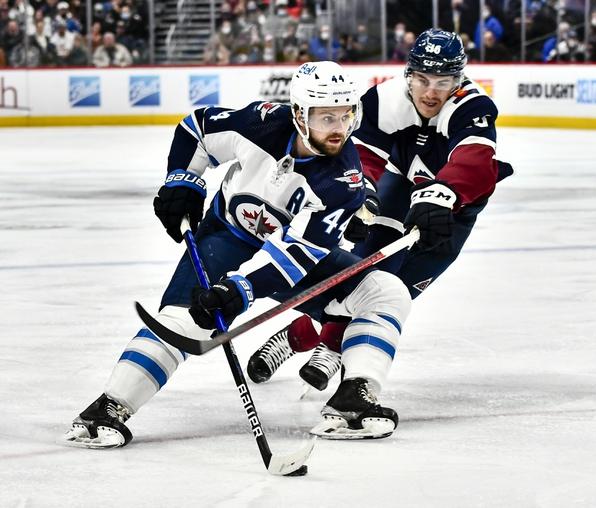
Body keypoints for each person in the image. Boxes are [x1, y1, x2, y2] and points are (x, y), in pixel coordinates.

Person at [61, 61, 411, 448]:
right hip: (225, 238)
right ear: (298, 114)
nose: (340, 128)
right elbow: (197, 128)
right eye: (326, 117)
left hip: (290, 260)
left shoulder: (342, 179)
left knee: (384, 291)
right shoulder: (261, 122)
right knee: (185, 320)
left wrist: (241, 288)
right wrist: (184, 181)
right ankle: (108, 408)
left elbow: (297, 255)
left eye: (347, 116)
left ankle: (352, 400)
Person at [247, 29, 513, 391]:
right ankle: (323, 345)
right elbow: (363, 159)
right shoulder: (385, 98)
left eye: (443, 80)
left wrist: (444, 193)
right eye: (421, 79)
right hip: (401, 185)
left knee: (399, 291)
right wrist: (363, 198)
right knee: (367, 278)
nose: (430, 92)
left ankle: (305, 337)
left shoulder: (473, 105)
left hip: (455, 206)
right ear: (409, 74)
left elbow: (475, 159)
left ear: (459, 78)